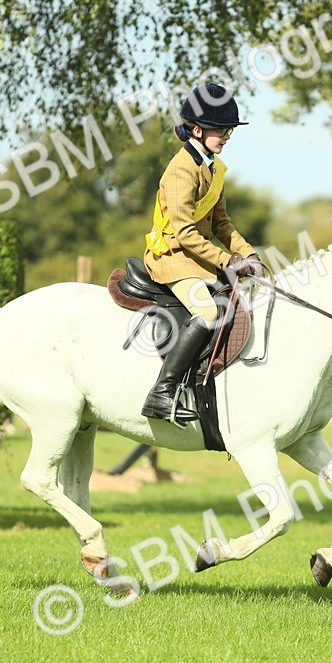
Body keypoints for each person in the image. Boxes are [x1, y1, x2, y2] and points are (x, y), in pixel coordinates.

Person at [140, 84, 266, 424]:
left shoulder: (213, 168)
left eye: (229, 131)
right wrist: (227, 261)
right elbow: (183, 232)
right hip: (172, 258)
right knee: (209, 311)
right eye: (221, 130)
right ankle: (161, 393)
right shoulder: (182, 169)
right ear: (197, 129)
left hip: (195, 257)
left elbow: (222, 223)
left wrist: (248, 253)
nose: (226, 136)